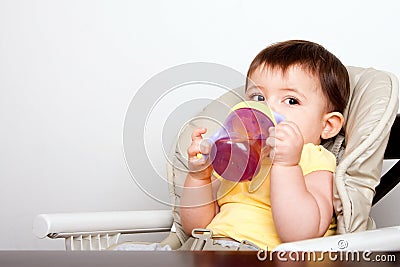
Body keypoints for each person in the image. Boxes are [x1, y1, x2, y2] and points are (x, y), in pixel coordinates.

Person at [180, 40, 350, 250]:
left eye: (291, 101)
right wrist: (200, 177)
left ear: (328, 126)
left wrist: (287, 165)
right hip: (207, 248)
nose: (267, 108)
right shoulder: (240, 154)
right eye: (258, 97)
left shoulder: (313, 158)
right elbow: (195, 226)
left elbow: (301, 234)